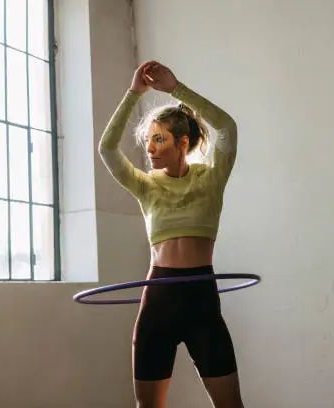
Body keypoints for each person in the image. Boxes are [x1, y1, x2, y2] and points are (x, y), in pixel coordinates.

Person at [98, 60, 243, 408]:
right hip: (158, 303)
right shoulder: (145, 186)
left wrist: (176, 89)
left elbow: (226, 127)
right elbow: (107, 149)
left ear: (182, 142)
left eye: (158, 140)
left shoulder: (211, 178)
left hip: (201, 302)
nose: (148, 149)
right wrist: (134, 94)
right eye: (148, 141)